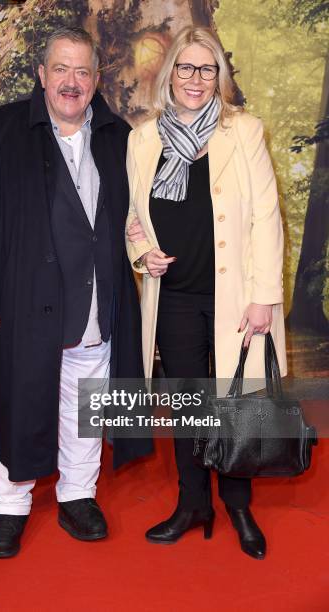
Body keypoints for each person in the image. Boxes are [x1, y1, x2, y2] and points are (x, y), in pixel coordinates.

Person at [0, 26, 151, 558]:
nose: (72, 81)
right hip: (21, 305)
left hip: (94, 304)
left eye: (82, 71)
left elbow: (137, 217)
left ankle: (78, 496)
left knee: (86, 405)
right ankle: (10, 505)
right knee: (16, 402)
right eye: (61, 69)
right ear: (41, 75)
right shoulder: (0, 131)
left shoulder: (117, 136)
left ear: (96, 79)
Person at [125, 26, 287, 560]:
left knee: (234, 404)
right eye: (186, 68)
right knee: (190, 407)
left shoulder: (244, 130)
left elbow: (267, 217)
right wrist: (142, 253)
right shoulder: (143, 137)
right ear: (170, 73)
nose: (196, 79)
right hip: (171, 295)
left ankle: (238, 506)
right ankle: (193, 503)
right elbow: (134, 217)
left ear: (221, 75)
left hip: (236, 297)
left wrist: (264, 293)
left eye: (207, 68)